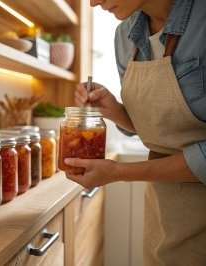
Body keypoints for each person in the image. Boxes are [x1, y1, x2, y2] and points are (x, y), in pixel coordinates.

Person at [63, 0, 206, 264]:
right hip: (164, 209)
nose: (93, 3)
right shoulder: (125, 35)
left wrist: (120, 172)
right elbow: (162, 131)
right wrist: (114, 110)